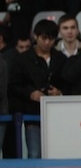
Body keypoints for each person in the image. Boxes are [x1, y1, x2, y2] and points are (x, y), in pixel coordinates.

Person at [8, 19, 68, 158]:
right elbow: (13, 85)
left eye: (51, 39)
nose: (47, 42)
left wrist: (59, 93)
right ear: (35, 36)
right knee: (34, 153)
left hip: (57, 115)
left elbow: (68, 82)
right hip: (32, 114)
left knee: (58, 154)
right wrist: (30, 94)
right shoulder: (22, 60)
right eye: (44, 38)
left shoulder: (61, 59)